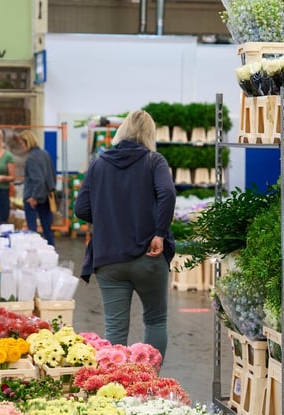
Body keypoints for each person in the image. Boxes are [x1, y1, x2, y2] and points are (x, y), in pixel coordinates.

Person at [74, 110, 176, 360]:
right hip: (149, 256)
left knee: (115, 328)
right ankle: (149, 378)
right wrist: (159, 233)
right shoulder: (154, 161)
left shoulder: (98, 163)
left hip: (109, 258)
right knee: (155, 320)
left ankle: (116, 380)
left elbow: (81, 209)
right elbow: (167, 193)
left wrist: (109, 219)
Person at [19, 130, 57, 246]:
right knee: (47, 228)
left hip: (32, 198)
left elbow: (38, 180)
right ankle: (51, 250)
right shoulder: (45, 154)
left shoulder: (31, 159)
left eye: (22, 144)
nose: (21, 147)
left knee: (32, 231)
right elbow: (51, 175)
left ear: (27, 142)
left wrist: (34, 197)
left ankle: (34, 252)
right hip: (46, 197)